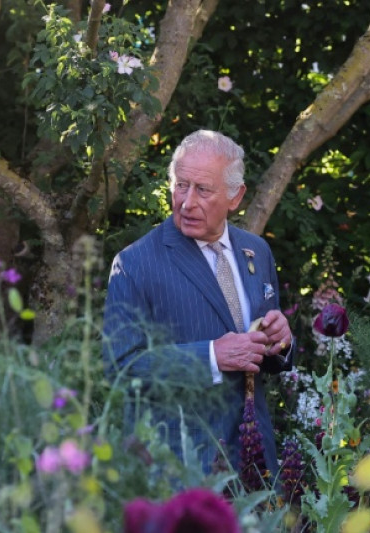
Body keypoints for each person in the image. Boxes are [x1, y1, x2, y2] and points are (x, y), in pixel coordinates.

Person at [103, 129, 293, 475]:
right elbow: (121, 368)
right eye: (181, 185)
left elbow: (261, 351)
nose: (187, 202)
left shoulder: (257, 251)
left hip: (255, 463)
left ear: (235, 197)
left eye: (203, 189)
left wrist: (280, 342)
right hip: (181, 468)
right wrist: (211, 357)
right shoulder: (135, 263)